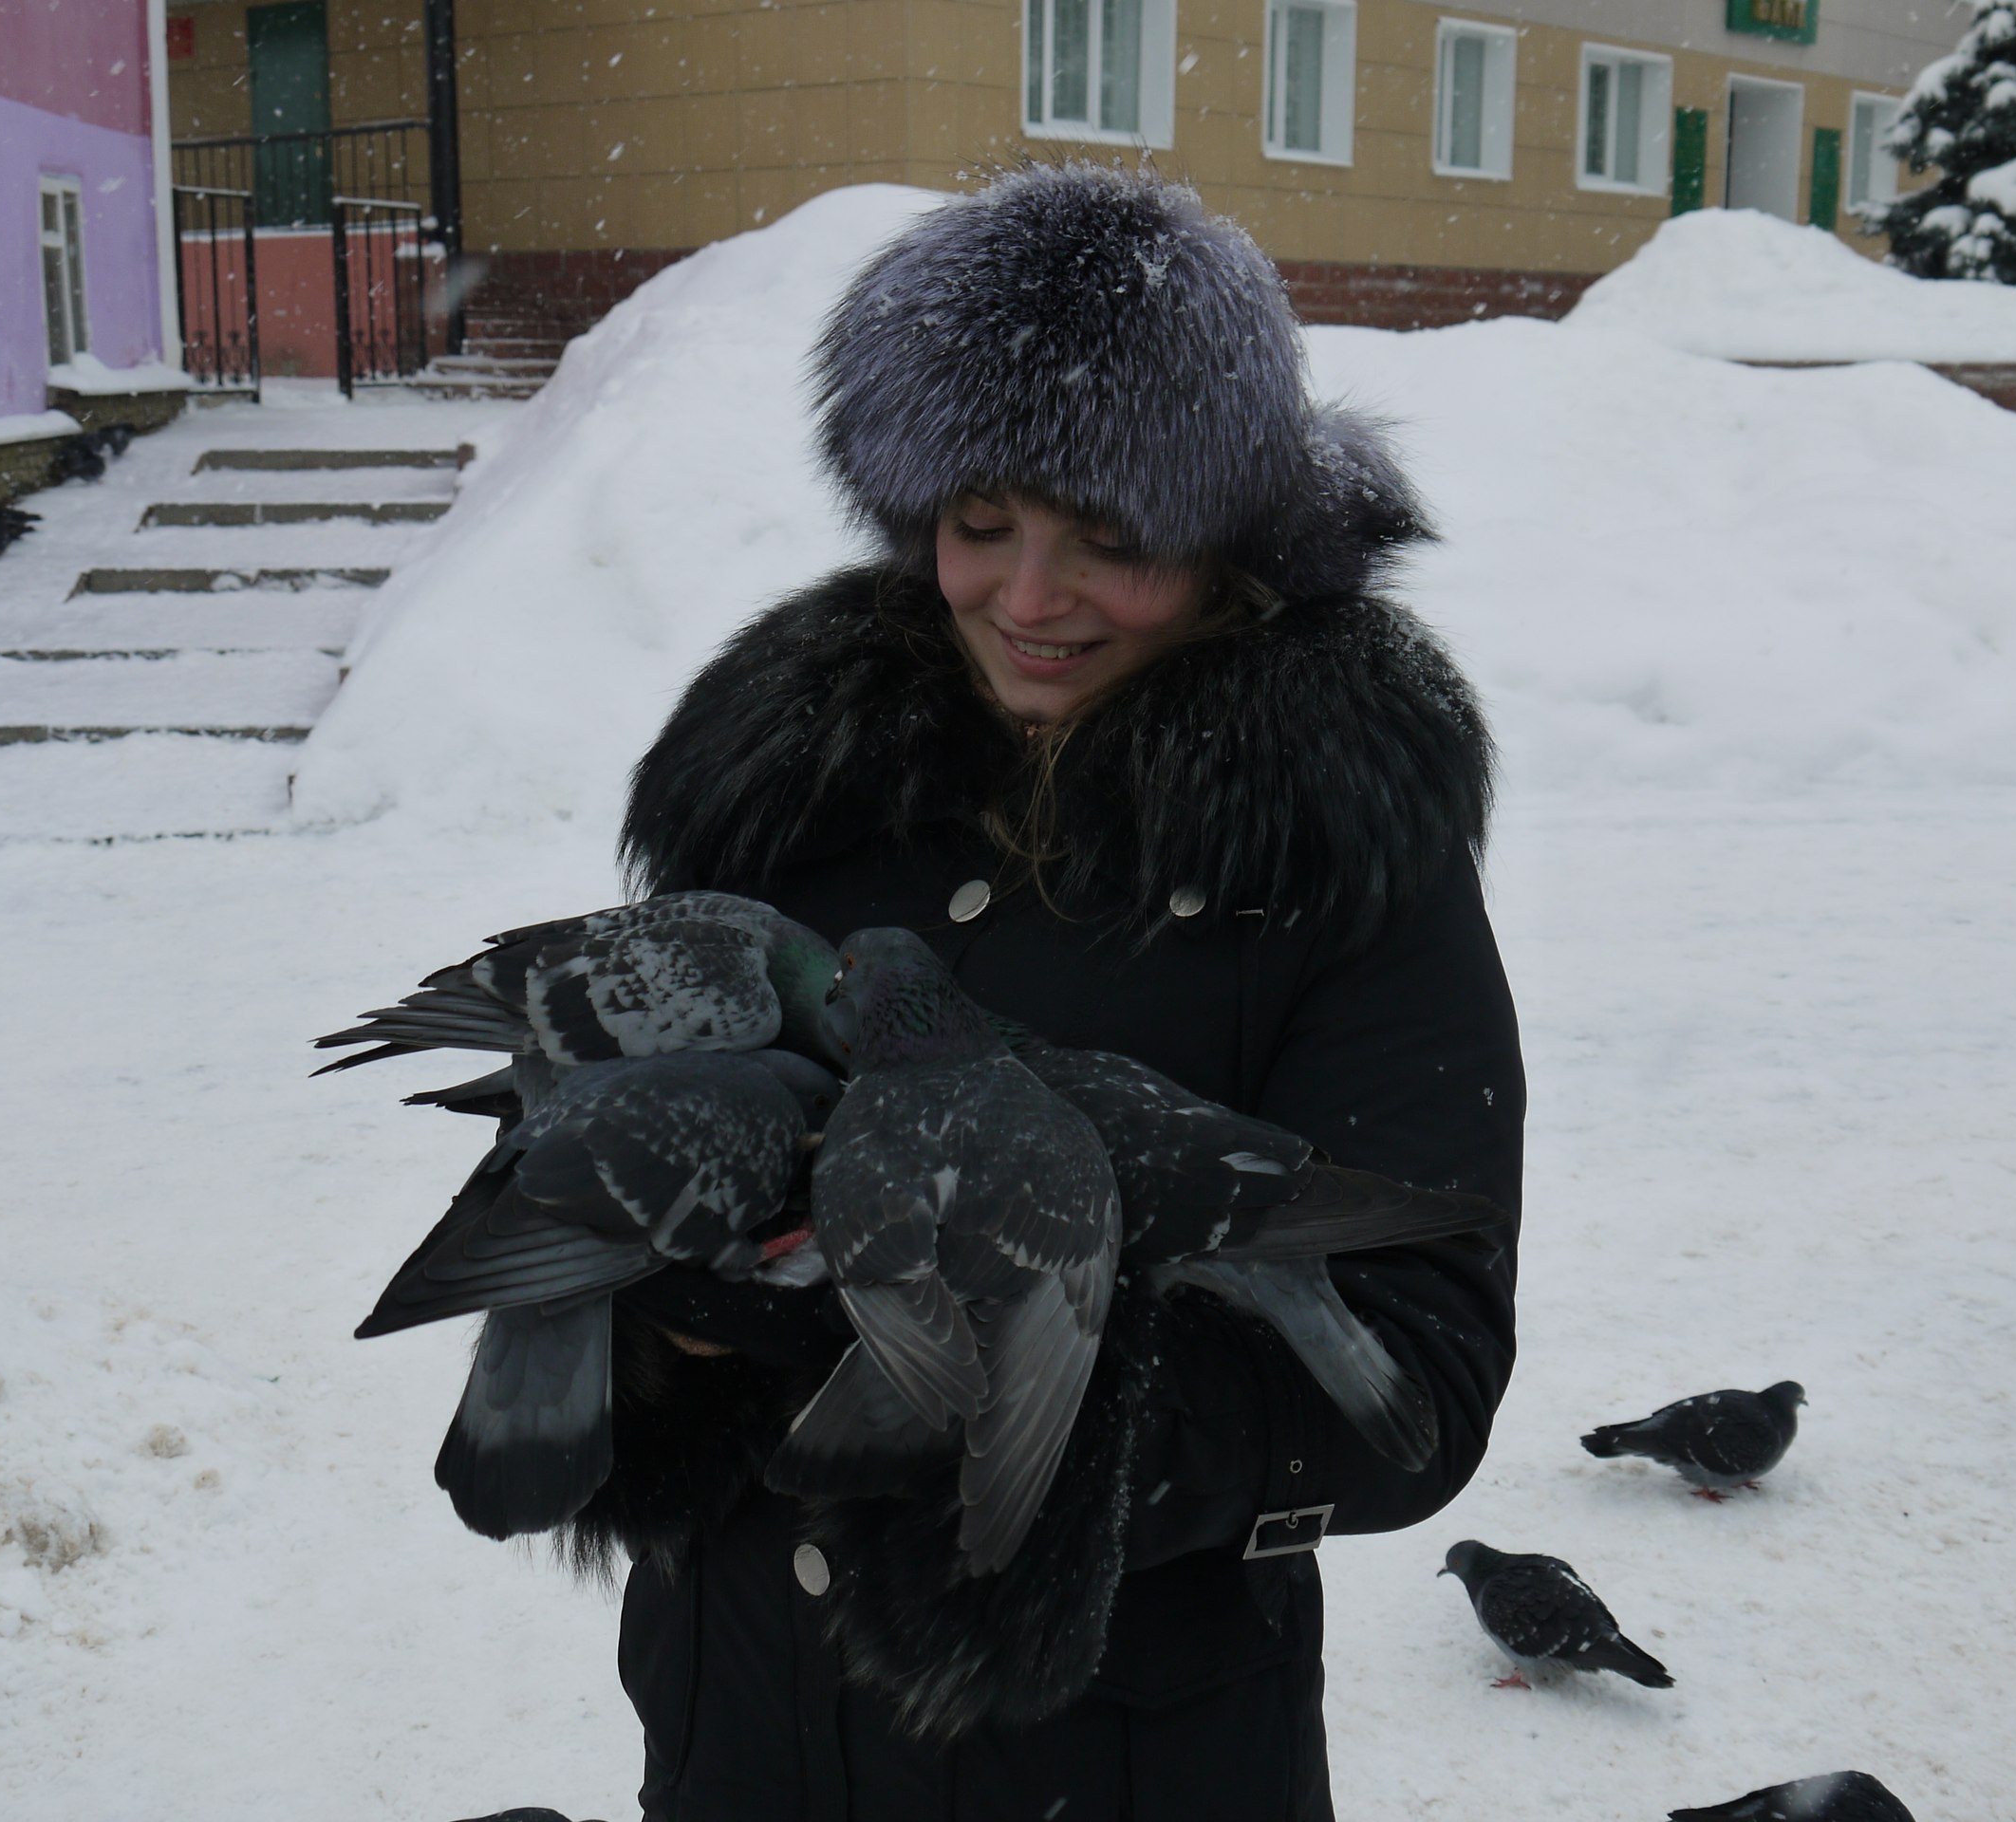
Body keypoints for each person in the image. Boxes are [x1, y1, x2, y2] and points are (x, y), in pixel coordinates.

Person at [578, 163, 1524, 1822]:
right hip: (740, 1728)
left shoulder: (1337, 849)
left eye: (1112, 540)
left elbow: (1415, 1377)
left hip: (1113, 1762)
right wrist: (622, 1283)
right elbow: (650, 1118)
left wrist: (1031, 1403)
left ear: (1224, 537)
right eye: (983, 525)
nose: (1027, 599)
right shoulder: (789, 781)